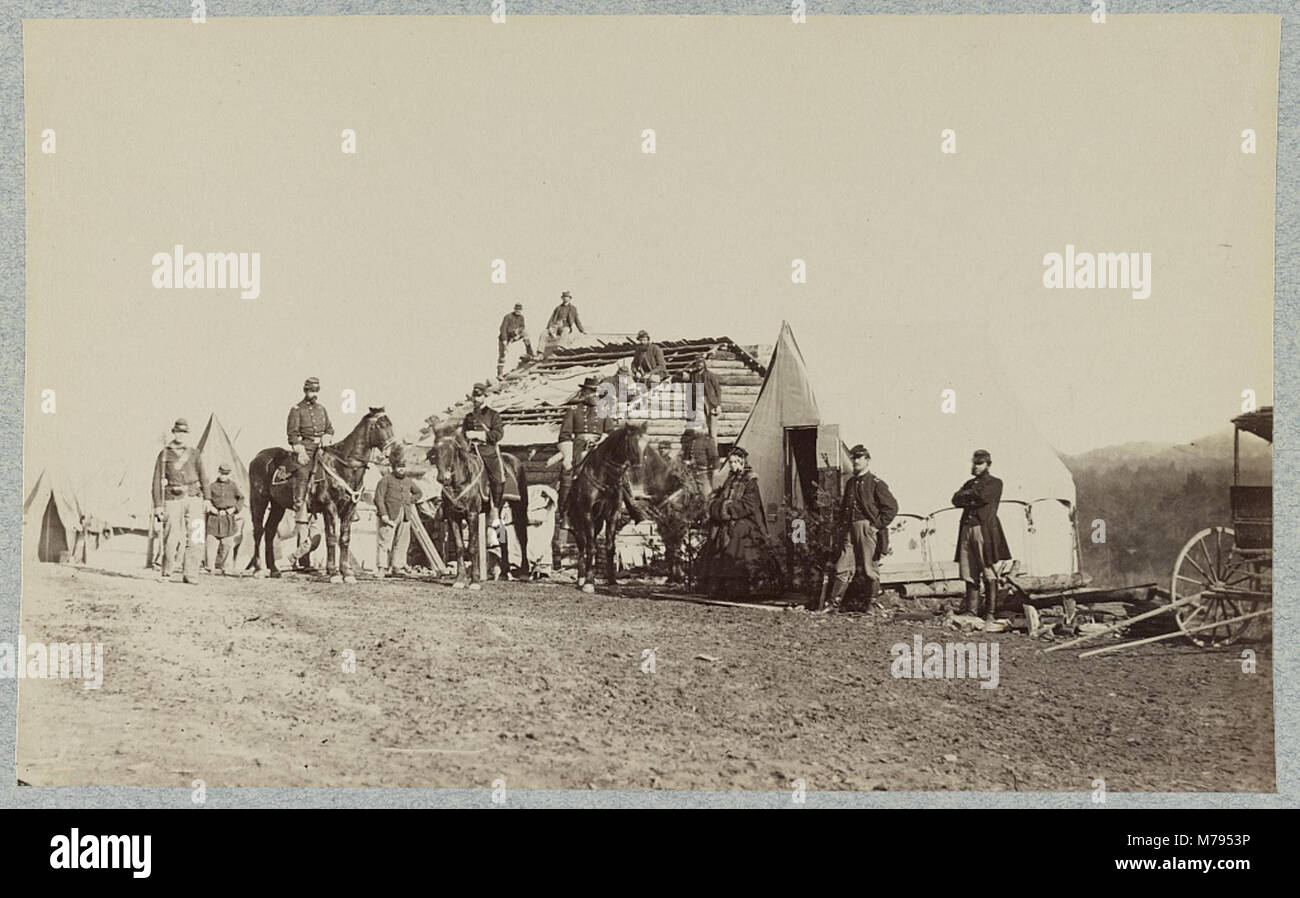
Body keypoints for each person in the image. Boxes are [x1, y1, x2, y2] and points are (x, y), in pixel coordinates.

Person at [819, 445, 898, 613]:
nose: (855, 461)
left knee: (870, 568)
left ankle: (872, 604)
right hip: (849, 530)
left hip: (867, 529)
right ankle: (834, 604)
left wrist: (875, 526)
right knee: (843, 566)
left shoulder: (876, 484)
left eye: (859, 458)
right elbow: (844, 509)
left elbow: (891, 508)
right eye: (854, 458)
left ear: (867, 460)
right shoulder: (850, 483)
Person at [699, 447, 771, 598]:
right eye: (730, 462)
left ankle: (740, 587)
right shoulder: (730, 479)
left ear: (741, 462)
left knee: (737, 536)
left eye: (733, 462)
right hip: (730, 518)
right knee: (715, 537)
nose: (731, 465)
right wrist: (718, 504)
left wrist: (728, 509)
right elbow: (722, 496)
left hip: (745, 520)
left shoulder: (750, 481)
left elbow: (750, 505)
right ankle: (718, 587)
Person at [951, 448, 1012, 622]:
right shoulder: (970, 483)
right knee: (969, 570)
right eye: (974, 463)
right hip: (966, 528)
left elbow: (982, 497)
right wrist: (969, 496)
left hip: (983, 529)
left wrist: (968, 497)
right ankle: (972, 611)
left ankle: (990, 613)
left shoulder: (995, 483)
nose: (976, 467)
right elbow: (955, 499)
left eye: (979, 463)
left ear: (988, 464)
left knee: (987, 569)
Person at [151, 418, 211, 584]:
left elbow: (203, 476)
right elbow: (156, 481)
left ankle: (190, 574)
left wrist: (207, 498)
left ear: (187, 434)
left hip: (193, 497)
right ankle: (167, 572)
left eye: (184, 432)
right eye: (178, 432)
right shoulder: (164, 454)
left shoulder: (194, 453)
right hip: (172, 498)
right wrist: (157, 505)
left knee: (197, 536)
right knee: (171, 536)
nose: (181, 435)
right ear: (174, 432)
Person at [286, 376, 334, 560]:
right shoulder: (297, 410)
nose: (313, 394)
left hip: (321, 448)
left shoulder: (322, 409)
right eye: (310, 391)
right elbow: (292, 433)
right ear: (305, 391)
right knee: (303, 471)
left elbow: (329, 428)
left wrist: (327, 438)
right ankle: (299, 501)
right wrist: (299, 450)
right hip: (304, 449)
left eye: (315, 391)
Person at [556, 376, 613, 526]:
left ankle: (630, 508)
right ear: (584, 392)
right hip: (580, 450)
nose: (594, 394)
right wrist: (567, 456)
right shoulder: (573, 410)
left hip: (600, 450)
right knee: (567, 470)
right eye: (591, 391)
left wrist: (600, 442)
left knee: (619, 475)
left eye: (596, 391)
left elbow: (610, 431)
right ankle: (565, 513)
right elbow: (564, 434)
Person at [462, 382, 506, 527]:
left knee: (497, 477)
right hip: (471, 452)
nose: (475, 399)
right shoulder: (468, 417)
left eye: (478, 395)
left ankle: (496, 510)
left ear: (485, 397)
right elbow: (462, 436)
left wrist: (478, 435)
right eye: (474, 396)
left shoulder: (493, 415)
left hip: (488, 451)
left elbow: (498, 435)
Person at [374, 454, 423, 578]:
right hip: (390, 515)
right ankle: (381, 568)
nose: (401, 469)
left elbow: (419, 493)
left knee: (402, 542)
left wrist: (409, 500)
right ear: (393, 468)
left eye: (403, 467)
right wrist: (383, 514)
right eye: (399, 467)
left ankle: (397, 567)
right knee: (384, 542)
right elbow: (378, 498)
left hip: (405, 515)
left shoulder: (408, 481)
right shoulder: (385, 480)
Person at [206, 463, 245, 575]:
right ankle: (210, 567)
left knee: (227, 544)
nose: (224, 476)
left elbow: (241, 498)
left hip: (228, 518)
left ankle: (226, 568)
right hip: (214, 518)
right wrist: (210, 507)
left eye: (226, 474)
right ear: (218, 472)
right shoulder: (212, 486)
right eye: (222, 473)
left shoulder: (233, 486)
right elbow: (206, 498)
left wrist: (234, 509)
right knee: (211, 543)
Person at [684, 356, 721, 436]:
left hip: (710, 400)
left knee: (712, 423)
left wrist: (718, 405)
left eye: (700, 363)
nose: (699, 365)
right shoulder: (693, 376)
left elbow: (717, 389)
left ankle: (713, 443)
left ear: (704, 364)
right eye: (697, 363)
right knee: (701, 423)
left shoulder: (710, 375)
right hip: (698, 400)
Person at [497, 302, 534, 377]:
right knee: (503, 354)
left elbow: (523, 326)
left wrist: (518, 331)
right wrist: (504, 342)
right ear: (514, 309)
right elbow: (502, 329)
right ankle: (500, 373)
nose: (518, 311)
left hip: (514, 336)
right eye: (517, 309)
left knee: (525, 333)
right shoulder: (508, 317)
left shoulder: (521, 317)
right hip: (505, 337)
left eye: (520, 310)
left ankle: (530, 353)